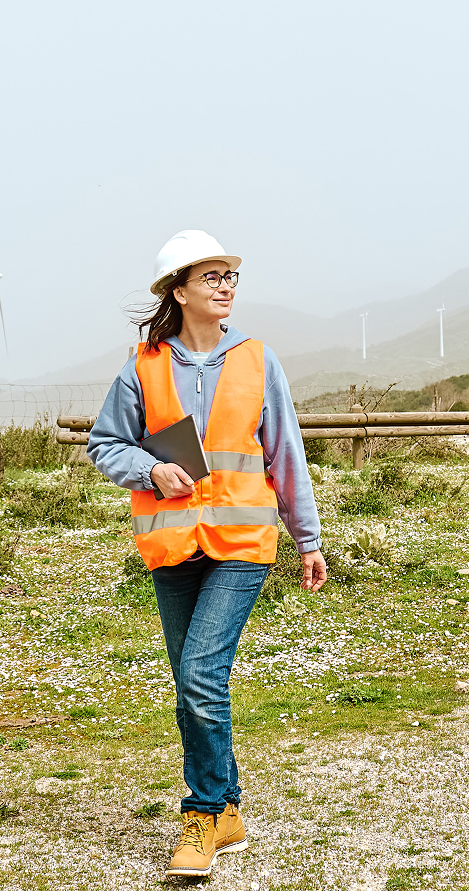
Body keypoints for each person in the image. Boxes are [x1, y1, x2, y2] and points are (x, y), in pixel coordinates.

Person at [88, 229, 326, 877]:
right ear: (179, 290)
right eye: (212, 275)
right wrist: (149, 468)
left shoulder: (257, 360)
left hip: (243, 544)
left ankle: (201, 815)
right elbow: (105, 444)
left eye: (230, 276)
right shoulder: (143, 365)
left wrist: (308, 539)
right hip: (174, 546)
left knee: (198, 678)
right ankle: (228, 811)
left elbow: (286, 454)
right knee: (194, 685)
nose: (226, 285)